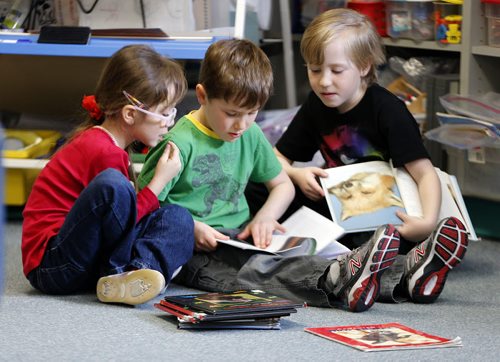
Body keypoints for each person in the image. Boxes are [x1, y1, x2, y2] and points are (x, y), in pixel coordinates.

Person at [138, 38, 402, 313]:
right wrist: (191, 227)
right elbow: (147, 205)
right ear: (202, 96)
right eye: (231, 113)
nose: (241, 124)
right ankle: (336, 278)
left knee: (298, 254)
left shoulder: (249, 133)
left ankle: (405, 273)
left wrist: (266, 216)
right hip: (194, 249)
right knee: (255, 273)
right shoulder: (177, 143)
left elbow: (282, 185)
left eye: (252, 113)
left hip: (242, 236)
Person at [271, 8, 468, 303]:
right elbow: (276, 158)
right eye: (314, 70)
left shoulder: (388, 110)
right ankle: (399, 268)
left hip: (390, 215)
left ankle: (412, 258)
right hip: (342, 206)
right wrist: (298, 174)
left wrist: (425, 222)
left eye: (336, 71)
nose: (324, 81)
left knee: (380, 237)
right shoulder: (317, 104)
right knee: (263, 186)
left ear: (364, 67)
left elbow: (424, 173)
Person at [21, 45, 194, 306]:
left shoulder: (110, 146)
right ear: (130, 113)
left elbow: (121, 222)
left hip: (79, 256)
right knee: (114, 186)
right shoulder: (102, 150)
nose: (170, 121)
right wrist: (159, 180)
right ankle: (124, 271)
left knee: (177, 217)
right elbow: (126, 217)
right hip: (53, 266)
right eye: (165, 112)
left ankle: (138, 271)